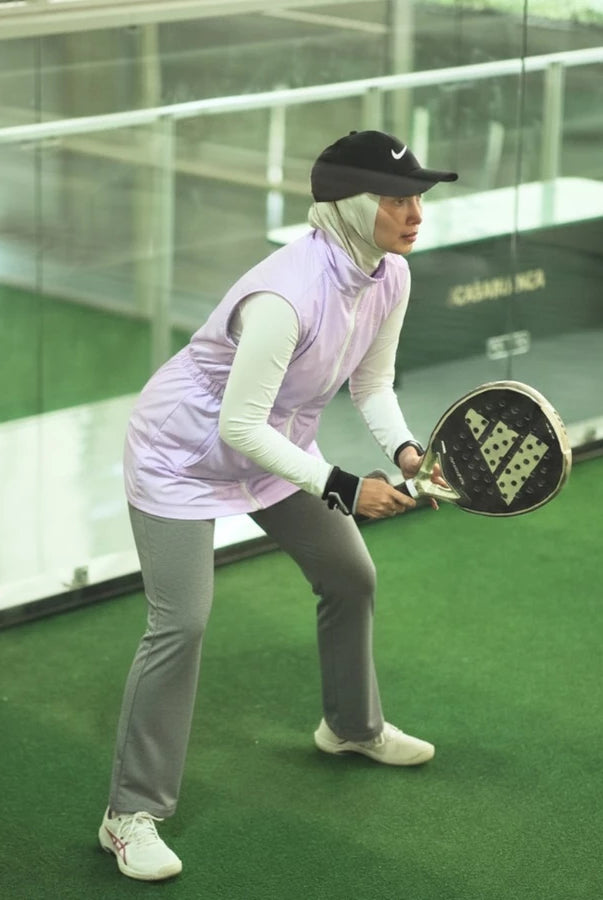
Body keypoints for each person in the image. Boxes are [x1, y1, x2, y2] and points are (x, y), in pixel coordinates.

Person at [98, 129, 458, 881]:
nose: (414, 212)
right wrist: (343, 486)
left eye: (418, 197)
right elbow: (235, 424)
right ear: (351, 206)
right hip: (181, 456)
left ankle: (350, 728)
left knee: (350, 577)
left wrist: (402, 453)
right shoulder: (284, 293)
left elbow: (372, 385)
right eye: (397, 199)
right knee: (181, 621)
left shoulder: (387, 273)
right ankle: (129, 814)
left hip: (270, 451)